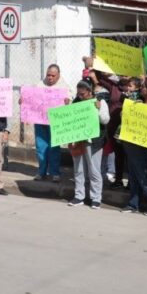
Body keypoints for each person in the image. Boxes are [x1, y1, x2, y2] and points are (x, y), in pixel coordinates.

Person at [120, 78, 147, 216]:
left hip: (145, 147)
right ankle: (133, 204)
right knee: (133, 175)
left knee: (145, 176)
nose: (140, 89)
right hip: (133, 144)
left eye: (143, 87)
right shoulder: (141, 101)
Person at [67, 79, 109, 208]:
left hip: (94, 142)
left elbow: (105, 120)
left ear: (90, 92)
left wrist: (98, 109)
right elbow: (70, 119)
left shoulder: (100, 101)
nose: (80, 96)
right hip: (79, 140)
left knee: (94, 170)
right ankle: (79, 196)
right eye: (79, 94)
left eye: (83, 94)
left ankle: (96, 198)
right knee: (78, 169)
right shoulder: (77, 102)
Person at [33, 64, 68, 182]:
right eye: (48, 75)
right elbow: (31, 99)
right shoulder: (40, 85)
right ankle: (41, 172)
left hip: (55, 123)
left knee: (54, 147)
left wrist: (68, 101)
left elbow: (70, 100)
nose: (50, 78)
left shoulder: (64, 87)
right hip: (40, 121)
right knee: (41, 147)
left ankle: (55, 173)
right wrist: (24, 100)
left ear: (58, 76)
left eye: (53, 75)